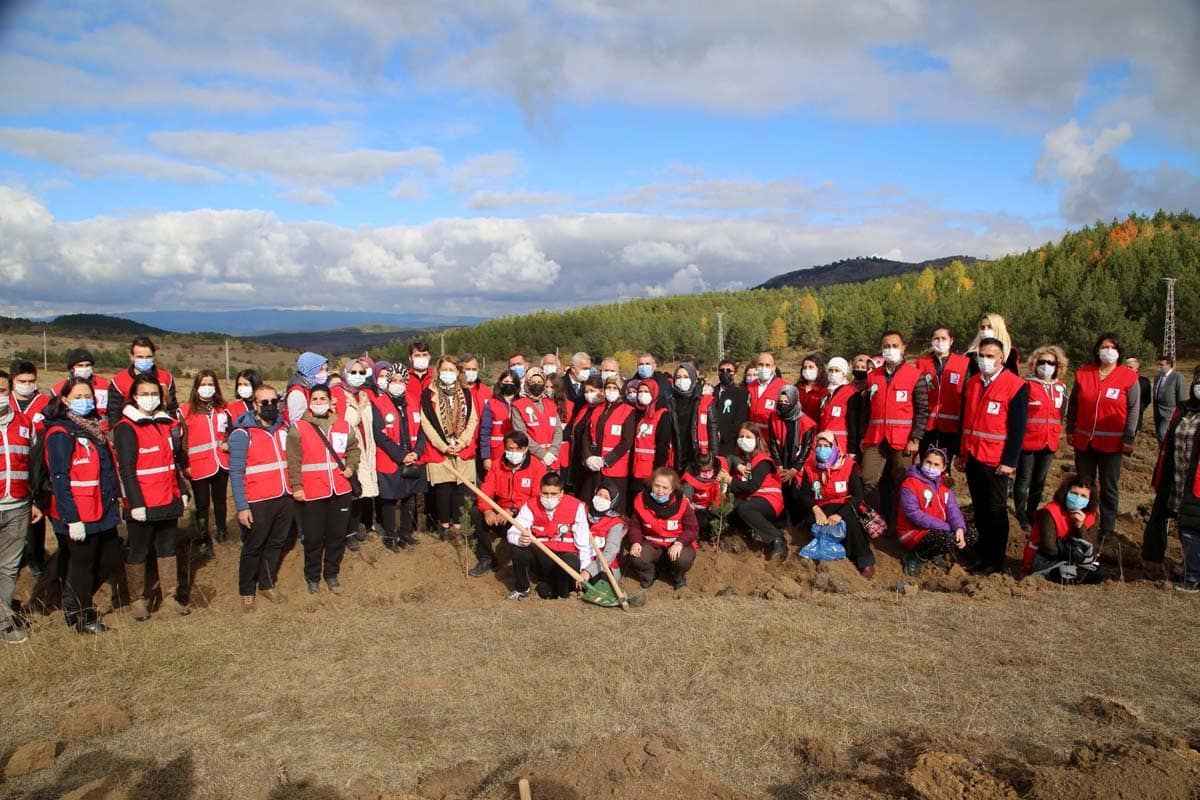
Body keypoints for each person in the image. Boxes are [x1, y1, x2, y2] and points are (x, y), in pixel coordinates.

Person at [41, 379, 123, 634]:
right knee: (83, 564)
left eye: (88, 395)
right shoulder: (61, 434)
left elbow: (107, 470)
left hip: (103, 509)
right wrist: (71, 518)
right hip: (80, 512)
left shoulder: (94, 428)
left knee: (110, 557)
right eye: (77, 396)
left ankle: (71, 598)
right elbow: (59, 478)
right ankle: (80, 616)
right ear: (64, 400)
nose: (84, 400)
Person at [114, 373, 192, 620]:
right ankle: (137, 599)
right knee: (138, 550)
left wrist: (182, 491)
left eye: (154, 394)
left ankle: (170, 597)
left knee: (168, 549)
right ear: (134, 397)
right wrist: (135, 504)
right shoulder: (126, 428)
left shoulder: (166, 423)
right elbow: (126, 470)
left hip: (168, 497)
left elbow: (173, 463)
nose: (150, 398)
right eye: (144, 394)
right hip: (143, 502)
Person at [958, 338, 1028, 574]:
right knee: (979, 509)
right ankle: (982, 555)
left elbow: (1018, 429)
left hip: (997, 460)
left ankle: (996, 561)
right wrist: (962, 453)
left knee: (996, 511)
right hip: (973, 456)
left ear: (1001, 359)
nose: (985, 360)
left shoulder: (1016, 385)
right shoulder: (974, 383)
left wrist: (1010, 461)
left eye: (990, 356)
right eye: (981, 355)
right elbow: (966, 422)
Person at [1065, 333, 1140, 551]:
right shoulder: (1084, 373)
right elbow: (1074, 404)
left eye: (1112, 347)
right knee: (1083, 484)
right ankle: (1082, 523)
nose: (1108, 350)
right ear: (1097, 350)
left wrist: (1129, 436)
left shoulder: (1128, 377)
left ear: (1118, 351)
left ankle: (1107, 529)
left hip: (1113, 443)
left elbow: (1133, 409)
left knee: (1109, 486)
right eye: (1103, 346)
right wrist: (1070, 428)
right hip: (1084, 440)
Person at [287, 384, 359, 594]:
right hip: (312, 492)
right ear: (309, 402)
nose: (319, 402)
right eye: (315, 399)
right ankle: (312, 576)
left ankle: (332, 574)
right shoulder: (298, 428)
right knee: (313, 537)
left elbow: (354, 449)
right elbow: (293, 461)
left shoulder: (343, 425)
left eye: (322, 399)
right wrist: (297, 487)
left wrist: (351, 467)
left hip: (340, 489)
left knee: (337, 536)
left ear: (330, 401)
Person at [227, 384, 292, 610]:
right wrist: (242, 507)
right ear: (255, 405)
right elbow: (236, 473)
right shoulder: (241, 434)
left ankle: (266, 584)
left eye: (274, 401)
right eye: (264, 402)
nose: (270, 406)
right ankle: (247, 590)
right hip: (257, 501)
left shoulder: (284, 428)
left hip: (285, 496)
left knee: (276, 543)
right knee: (253, 546)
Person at [860, 331, 926, 529]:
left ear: (904, 347)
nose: (890, 350)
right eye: (886, 346)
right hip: (875, 438)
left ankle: (902, 525)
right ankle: (874, 523)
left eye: (894, 345)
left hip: (903, 440)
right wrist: (864, 437)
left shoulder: (915, 375)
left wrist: (916, 438)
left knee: (902, 483)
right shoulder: (872, 377)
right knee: (868, 480)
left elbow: (923, 410)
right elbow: (866, 410)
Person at [1143, 366, 1200, 588]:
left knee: (1192, 527)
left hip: (1197, 481)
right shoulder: (1184, 409)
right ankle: (1188, 567)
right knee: (1183, 523)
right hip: (1177, 477)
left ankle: (1193, 577)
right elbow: (1168, 442)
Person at [793, 429, 876, 576]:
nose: (822, 449)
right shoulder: (810, 467)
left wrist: (840, 515)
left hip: (844, 505)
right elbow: (804, 495)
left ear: (834, 447)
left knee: (851, 522)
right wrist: (815, 508)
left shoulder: (848, 465)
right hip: (821, 506)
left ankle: (865, 560)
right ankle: (823, 557)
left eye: (826, 446)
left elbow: (858, 495)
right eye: (819, 446)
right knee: (813, 523)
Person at [0, 371, 43, 642]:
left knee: (8, 567)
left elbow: (34, 467)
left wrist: (35, 500)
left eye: (3, 390)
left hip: (17, 505)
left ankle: (3, 622)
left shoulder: (24, 424)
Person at [505, 472, 592, 600]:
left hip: (565, 556)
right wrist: (520, 539)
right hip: (542, 556)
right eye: (545, 493)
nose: (549, 497)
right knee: (517, 549)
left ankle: (562, 593)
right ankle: (522, 588)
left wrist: (584, 569)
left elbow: (583, 542)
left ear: (561, 493)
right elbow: (512, 532)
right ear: (540, 491)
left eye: (554, 494)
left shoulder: (576, 506)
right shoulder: (530, 505)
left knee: (570, 562)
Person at [472, 430, 546, 577]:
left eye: (517, 449)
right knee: (475, 512)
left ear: (525, 449)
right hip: (499, 511)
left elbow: (536, 498)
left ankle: (522, 563)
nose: (513, 452)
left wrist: (512, 510)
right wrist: (487, 510)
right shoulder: (496, 465)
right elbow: (486, 490)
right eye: (510, 449)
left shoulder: (537, 467)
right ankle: (486, 557)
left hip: (522, 513)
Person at [420, 356, 479, 539]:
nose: (448, 373)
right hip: (440, 449)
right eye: (444, 370)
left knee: (460, 489)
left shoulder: (466, 393)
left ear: (458, 372)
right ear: (438, 371)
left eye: (451, 370)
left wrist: (461, 443)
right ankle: (444, 526)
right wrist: (444, 446)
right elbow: (426, 423)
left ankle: (458, 525)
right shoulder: (429, 394)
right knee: (443, 489)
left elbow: (472, 420)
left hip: (462, 448)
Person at [1013, 346, 1068, 534]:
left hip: (1049, 441)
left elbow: (1062, 414)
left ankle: (1031, 512)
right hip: (1028, 441)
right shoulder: (1026, 385)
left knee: (1039, 481)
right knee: (1023, 480)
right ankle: (1020, 513)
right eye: (1042, 362)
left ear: (1057, 366)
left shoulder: (1061, 388)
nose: (1046, 366)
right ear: (1034, 364)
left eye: (1050, 363)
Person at [372, 365, 425, 553]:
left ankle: (405, 533)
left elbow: (421, 431)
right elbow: (380, 436)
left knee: (409, 497)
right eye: (393, 380)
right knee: (390, 500)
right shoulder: (378, 403)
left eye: (401, 381)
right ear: (387, 382)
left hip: (413, 458)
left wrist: (417, 452)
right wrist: (401, 456)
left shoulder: (413, 401)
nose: (397, 384)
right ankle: (390, 535)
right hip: (390, 459)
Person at [896, 447, 973, 576]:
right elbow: (914, 514)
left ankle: (935, 553)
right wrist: (947, 527)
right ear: (922, 462)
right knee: (946, 537)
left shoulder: (944, 486)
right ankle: (915, 556)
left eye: (936, 464)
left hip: (937, 529)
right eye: (928, 462)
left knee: (969, 534)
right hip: (913, 531)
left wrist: (959, 528)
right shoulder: (909, 484)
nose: (931, 467)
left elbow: (952, 509)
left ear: (943, 468)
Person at [179, 370, 231, 560]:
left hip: (221, 462)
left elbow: (230, 431)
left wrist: (229, 442)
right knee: (202, 504)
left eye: (210, 384)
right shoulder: (185, 411)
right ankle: (203, 538)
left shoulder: (223, 408)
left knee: (220, 500)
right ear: (196, 387)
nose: (207, 388)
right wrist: (185, 464)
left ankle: (222, 530)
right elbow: (182, 442)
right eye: (203, 384)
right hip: (198, 466)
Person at [721, 422, 787, 560]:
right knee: (731, 510)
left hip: (769, 499)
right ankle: (749, 533)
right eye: (741, 436)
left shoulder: (763, 461)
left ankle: (777, 539)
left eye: (748, 436)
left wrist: (730, 480)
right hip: (753, 498)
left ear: (757, 439)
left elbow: (751, 486)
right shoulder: (745, 461)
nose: (744, 440)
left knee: (745, 508)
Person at [10, 360, 51, 578]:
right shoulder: (6, 401)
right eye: (22, 381)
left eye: (31, 381)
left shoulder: (45, 402)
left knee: (36, 513)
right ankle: (13, 558)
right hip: (12, 464)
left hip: (39, 466)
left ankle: (36, 558)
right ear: (12, 381)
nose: (27, 384)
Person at [625, 468, 699, 589]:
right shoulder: (641, 500)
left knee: (683, 560)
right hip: (652, 543)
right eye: (657, 486)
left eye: (665, 488)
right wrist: (636, 542)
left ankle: (677, 575)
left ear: (672, 489)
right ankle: (650, 573)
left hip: (676, 543)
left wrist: (679, 543)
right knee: (636, 557)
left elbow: (692, 529)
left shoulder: (683, 503)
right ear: (651, 484)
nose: (660, 491)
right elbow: (635, 526)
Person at [1024, 476, 1101, 583]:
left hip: (1073, 559)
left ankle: (1071, 574)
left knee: (1097, 573)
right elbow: (1049, 548)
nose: (1078, 498)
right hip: (1044, 558)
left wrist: (1080, 525)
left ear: (1089, 500)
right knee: (1064, 572)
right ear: (1066, 493)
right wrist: (1073, 553)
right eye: (1074, 494)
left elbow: (1091, 548)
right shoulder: (1049, 511)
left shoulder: (1092, 516)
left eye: (1083, 496)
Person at [340, 358, 380, 549]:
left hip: (367, 447)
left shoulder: (364, 394)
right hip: (349, 449)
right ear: (345, 373)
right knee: (350, 490)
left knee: (361, 490)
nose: (357, 376)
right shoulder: (337, 395)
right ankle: (346, 532)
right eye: (353, 372)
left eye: (361, 373)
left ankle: (358, 527)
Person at [916, 327, 970, 462]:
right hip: (927, 425)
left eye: (943, 338)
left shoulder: (963, 363)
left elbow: (967, 394)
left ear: (951, 341)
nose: (940, 342)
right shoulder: (922, 363)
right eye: (936, 338)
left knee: (944, 464)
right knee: (926, 461)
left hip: (952, 425)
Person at [581, 373, 636, 504]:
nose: (610, 391)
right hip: (593, 466)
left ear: (621, 390)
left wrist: (606, 460)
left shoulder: (628, 411)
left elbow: (626, 442)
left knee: (611, 503)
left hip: (614, 468)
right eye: (608, 387)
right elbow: (587, 435)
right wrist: (588, 456)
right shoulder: (597, 408)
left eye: (614, 388)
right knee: (589, 501)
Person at [108, 336, 177, 428]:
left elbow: (172, 408)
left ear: (153, 356)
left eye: (148, 357)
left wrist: (173, 428)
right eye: (140, 357)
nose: (144, 360)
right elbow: (114, 413)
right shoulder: (119, 381)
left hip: (161, 428)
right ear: (132, 356)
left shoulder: (166, 378)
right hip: (131, 429)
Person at [510, 367, 564, 471]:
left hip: (553, 459)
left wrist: (552, 452)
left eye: (539, 381)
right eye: (533, 381)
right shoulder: (518, 405)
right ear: (527, 383)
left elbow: (558, 430)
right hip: (533, 458)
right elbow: (521, 433)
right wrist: (542, 454)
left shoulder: (551, 403)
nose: (536, 384)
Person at [669, 363, 713, 473]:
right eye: (678, 377)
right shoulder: (670, 400)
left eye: (686, 377)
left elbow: (712, 430)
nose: (681, 380)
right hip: (676, 453)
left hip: (696, 453)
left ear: (693, 378)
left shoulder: (702, 400)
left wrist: (713, 459)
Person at [630, 379, 674, 485]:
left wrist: (658, 471)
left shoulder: (662, 414)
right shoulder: (635, 412)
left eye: (646, 391)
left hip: (651, 469)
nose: (642, 394)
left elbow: (662, 445)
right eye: (640, 391)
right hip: (634, 468)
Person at [818, 357, 863, 456]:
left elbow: (854, 423)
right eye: (830, 370)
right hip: (824, 444)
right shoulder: (825, 393)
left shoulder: (851, 393)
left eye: (837, 370)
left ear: (844, 373)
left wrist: (852, 450)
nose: (833, 373)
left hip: (842, 444)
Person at [53, 349, 113, 423]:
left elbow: (112, 410)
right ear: (72, 368)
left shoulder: (105, 385)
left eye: (88, 365)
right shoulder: (58, 388)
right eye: (80, 365)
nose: (84, 368)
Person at [585, 479, 626, 581]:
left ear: (613, 502)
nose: (601, 499)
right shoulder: (582, 511)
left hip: (603, 564)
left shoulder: (616, 523)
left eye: (606, 498)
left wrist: (590, 571)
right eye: (599, 495)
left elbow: (611, 551)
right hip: (583, 558)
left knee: (600, 580)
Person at [480, 370, 519, 471]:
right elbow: (485, 432)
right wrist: (486, 456)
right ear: (500, 383)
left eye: (511, 382)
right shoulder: (491, 403)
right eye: (506, 382)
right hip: (496, 452)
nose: (508, 384)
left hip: (517, 451)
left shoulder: (522, 402)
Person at [680, 452, 726, 537]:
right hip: (697, 508)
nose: (707, 473)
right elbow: (687, 494)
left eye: (709, 470)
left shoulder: (720, 471)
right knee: (700, 521)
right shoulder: (690, 477)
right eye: (703, 471)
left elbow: (721, 494)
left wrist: (715, 505)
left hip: (713, 507)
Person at [285, 351, 329, 426]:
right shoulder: (297, 394)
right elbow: (297, 424)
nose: (325, 373)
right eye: (321, 369)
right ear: (310, 370)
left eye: (326, 369)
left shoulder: (311, 387)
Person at [1152, 356, 1189, 443]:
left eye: (1162, 365)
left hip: (1169, 411)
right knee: (1159, 434)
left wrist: (1181, 413)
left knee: (1162, 434)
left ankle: (1166, 452)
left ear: (1169, 365)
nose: (1160, 367)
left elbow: (1181, 397)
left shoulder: (1177, 377)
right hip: (1157, 410)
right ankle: (1162, 453)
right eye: (1159, 364)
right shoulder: (1158, 377)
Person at [748, 352, 786, 425]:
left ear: (774, 367)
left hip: (772, 433)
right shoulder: (750, 387)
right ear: (756, 366)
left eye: (767, 365)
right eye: (760, 364)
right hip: (753, 433)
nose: (763, 368)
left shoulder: (784, 387)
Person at [1125, 356, 1152, 432]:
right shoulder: (1120, 380)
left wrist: (1139, 409)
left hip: (1136, 416)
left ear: (1137, 368)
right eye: (1126, 367)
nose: (1127, 369)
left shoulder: (1144, 381)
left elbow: (1147, 399)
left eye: (1130, 367)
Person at [795, 355, 826, 422]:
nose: (807, 370)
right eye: (805, 367)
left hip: (816, 429)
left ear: (819, 369)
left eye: (811, 367)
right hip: (797, 428)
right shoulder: (796, 388)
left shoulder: (825, 390)